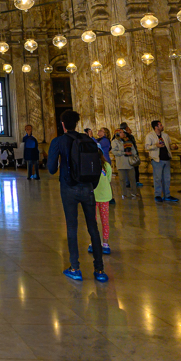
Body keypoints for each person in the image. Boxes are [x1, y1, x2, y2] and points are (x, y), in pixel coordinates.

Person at [47, 110, 107, 282]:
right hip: (88, 187)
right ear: (76, 124)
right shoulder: (87, 139)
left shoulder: (58, 141)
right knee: (93, 228)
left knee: (72, 227)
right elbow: (97, 163)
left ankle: (75, 268)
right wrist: (91, 185)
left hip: (69, 188)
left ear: (63, 124)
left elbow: (51, 169)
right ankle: (100, 270)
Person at [146, 120, 176, 203]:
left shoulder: (165, 135)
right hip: (157, 159)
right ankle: (158, 195)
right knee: (158, 178)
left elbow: (169, 145)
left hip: (166, 158)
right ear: (156, 127)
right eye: (160, 125)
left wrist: (173, 147)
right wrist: (156, 146)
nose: (162, 126)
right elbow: (147, 147)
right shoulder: (150, 136)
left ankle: (167, 195)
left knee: (167, 178)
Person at [92, 143, 113, 256]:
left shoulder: (91, 166)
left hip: (95, 196)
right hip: (102, 196)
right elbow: (108, 180)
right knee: (104, 221)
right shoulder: (107, 166)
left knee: (93, 221)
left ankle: (94, 242)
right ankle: (104, 243)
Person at [113, 129, 140, 199]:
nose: (122, 133)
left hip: (129, 162)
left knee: (132, 178)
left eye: (123, 132)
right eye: (120, 132)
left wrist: (134, 154)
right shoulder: (115, 142)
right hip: (121, 163)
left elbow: (133, 149)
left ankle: (134, 192)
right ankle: (123, 193)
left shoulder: (128, 140)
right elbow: (114, 151)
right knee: (122, 179)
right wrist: (124, 152)